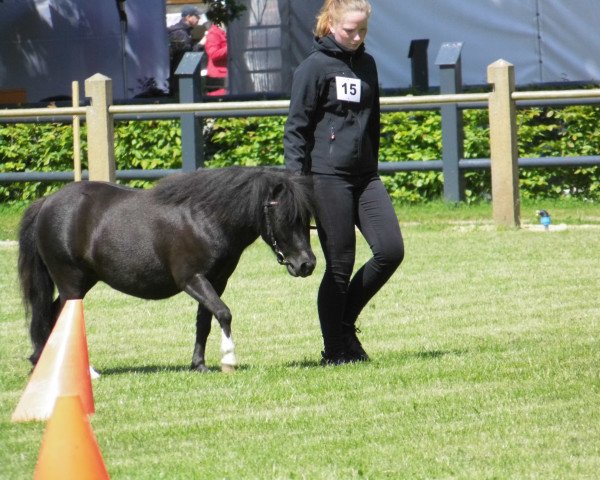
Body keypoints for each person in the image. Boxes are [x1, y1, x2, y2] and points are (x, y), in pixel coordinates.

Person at [284, 0, 404, 365]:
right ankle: (334, 348)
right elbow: (296, 130)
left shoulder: (367, 64)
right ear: (331, 24)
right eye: (350, 30)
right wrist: (297, 185)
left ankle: (344, 326)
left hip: (365, 176)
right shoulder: (313, 68)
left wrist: (371, 164)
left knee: (390, 251)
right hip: (326, 177)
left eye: (363, 30)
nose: (356, 37)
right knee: (340, 264)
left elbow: (373, 121)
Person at [168, 6, 202, 94]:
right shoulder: (179, 33)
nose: (199, 19)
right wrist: (201, 44)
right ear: (188, 17)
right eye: (197, 16)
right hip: (178, 81)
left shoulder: (185, 32)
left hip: (180, 80)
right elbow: (186, 60)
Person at [203, 22, 228, 96]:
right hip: (219, 79)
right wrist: (231, 46)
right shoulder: (214, 33)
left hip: (229, 78)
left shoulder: (228, 31)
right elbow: (213, 54)